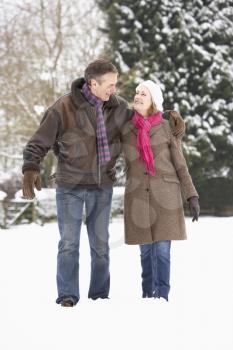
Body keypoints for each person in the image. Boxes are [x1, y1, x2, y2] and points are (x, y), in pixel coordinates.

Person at [22, 59, 185, 307]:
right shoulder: (63, 107)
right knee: (69, 243)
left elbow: (144, 116)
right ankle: (68, 295)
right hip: (70, 186)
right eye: (110, 84)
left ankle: (99, 295)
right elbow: (39, 140)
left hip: (101, 187)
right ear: (93, 83)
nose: (114, 89)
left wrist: (168, 117)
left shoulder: (118, 107)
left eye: (115, 84)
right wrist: (31, 167)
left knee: (100, 246)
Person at [120, 80, 200, 301]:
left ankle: (161, 296)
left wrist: (191, 195)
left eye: (143, 93)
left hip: (166, 196)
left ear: (153, 99)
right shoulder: (126, 128)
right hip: (138, 197)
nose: (137, 96)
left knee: (162, 251)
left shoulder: (166, 127)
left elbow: (180, 164)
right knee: (145, 252)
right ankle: (147, 295)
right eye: (136, 92)